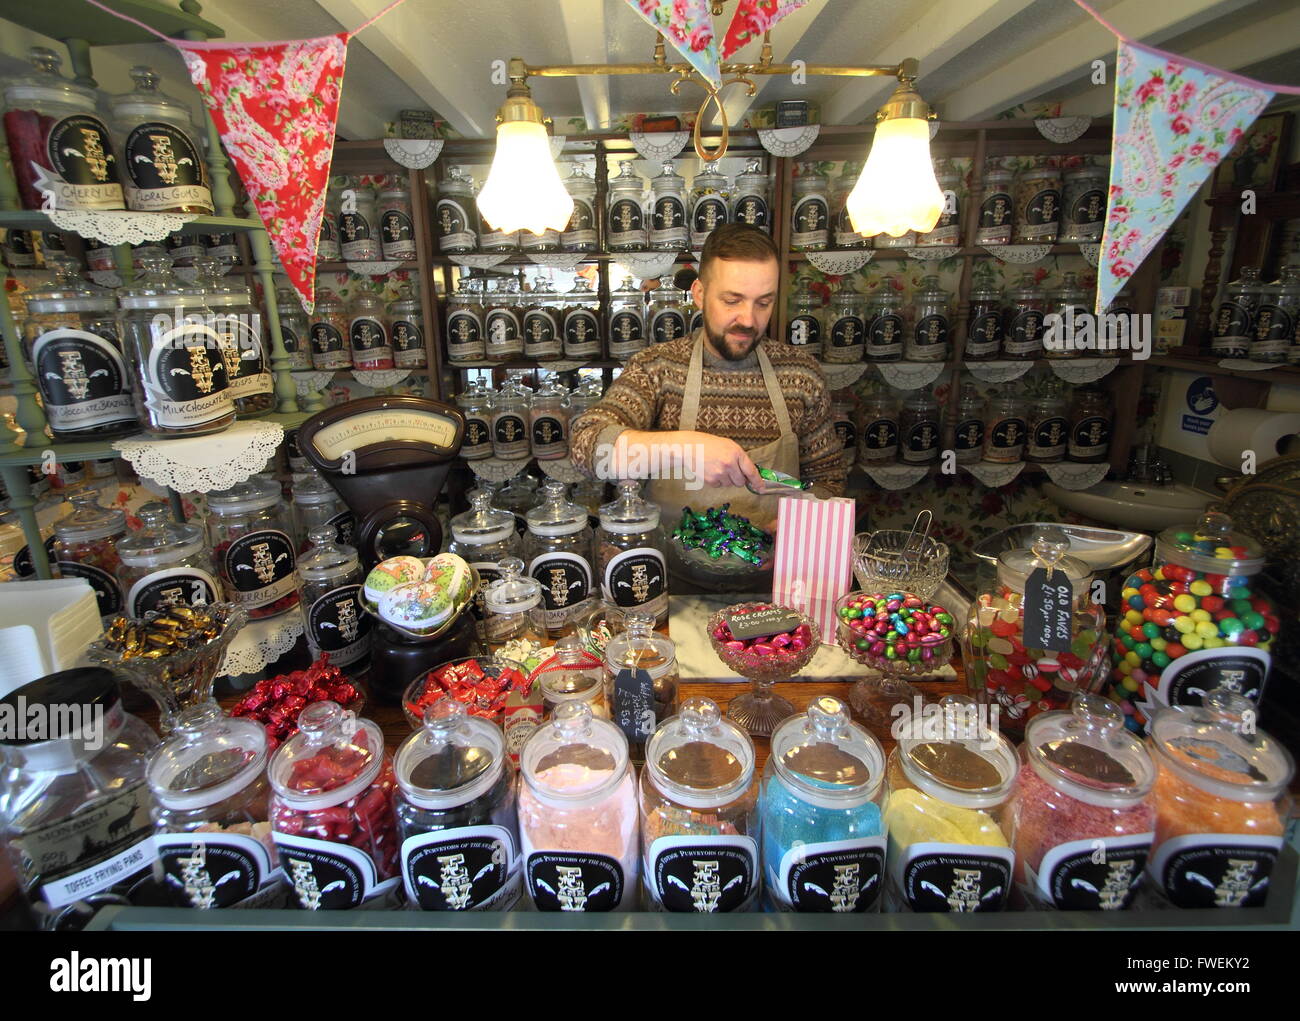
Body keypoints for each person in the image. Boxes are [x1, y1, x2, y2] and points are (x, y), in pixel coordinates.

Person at [569, 223, 844, 531]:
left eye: (764, 302)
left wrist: (800, 526)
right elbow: (586, 449)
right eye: (732, 300)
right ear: (699, 294)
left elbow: (828, 477)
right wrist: (686, 450)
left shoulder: (800, 374)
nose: (749, 320)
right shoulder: (657, 369)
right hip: (673, 574)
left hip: (778, 573)